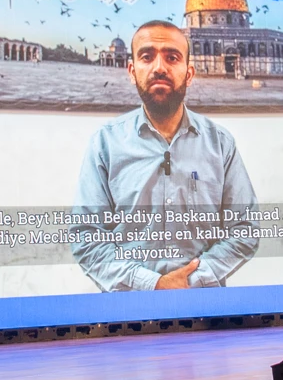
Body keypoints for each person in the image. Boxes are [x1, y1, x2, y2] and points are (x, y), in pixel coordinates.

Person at [71, 20, 259, 292]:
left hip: (203, 309)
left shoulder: (220, 144)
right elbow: (86, 236)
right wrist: (153, 285)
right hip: (129, 311)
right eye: (147, 57)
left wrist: (190, 281)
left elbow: (245, 229)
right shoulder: (106, 144)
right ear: (132, 71)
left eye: (172, 57)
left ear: (189, 73)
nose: (159, 67)